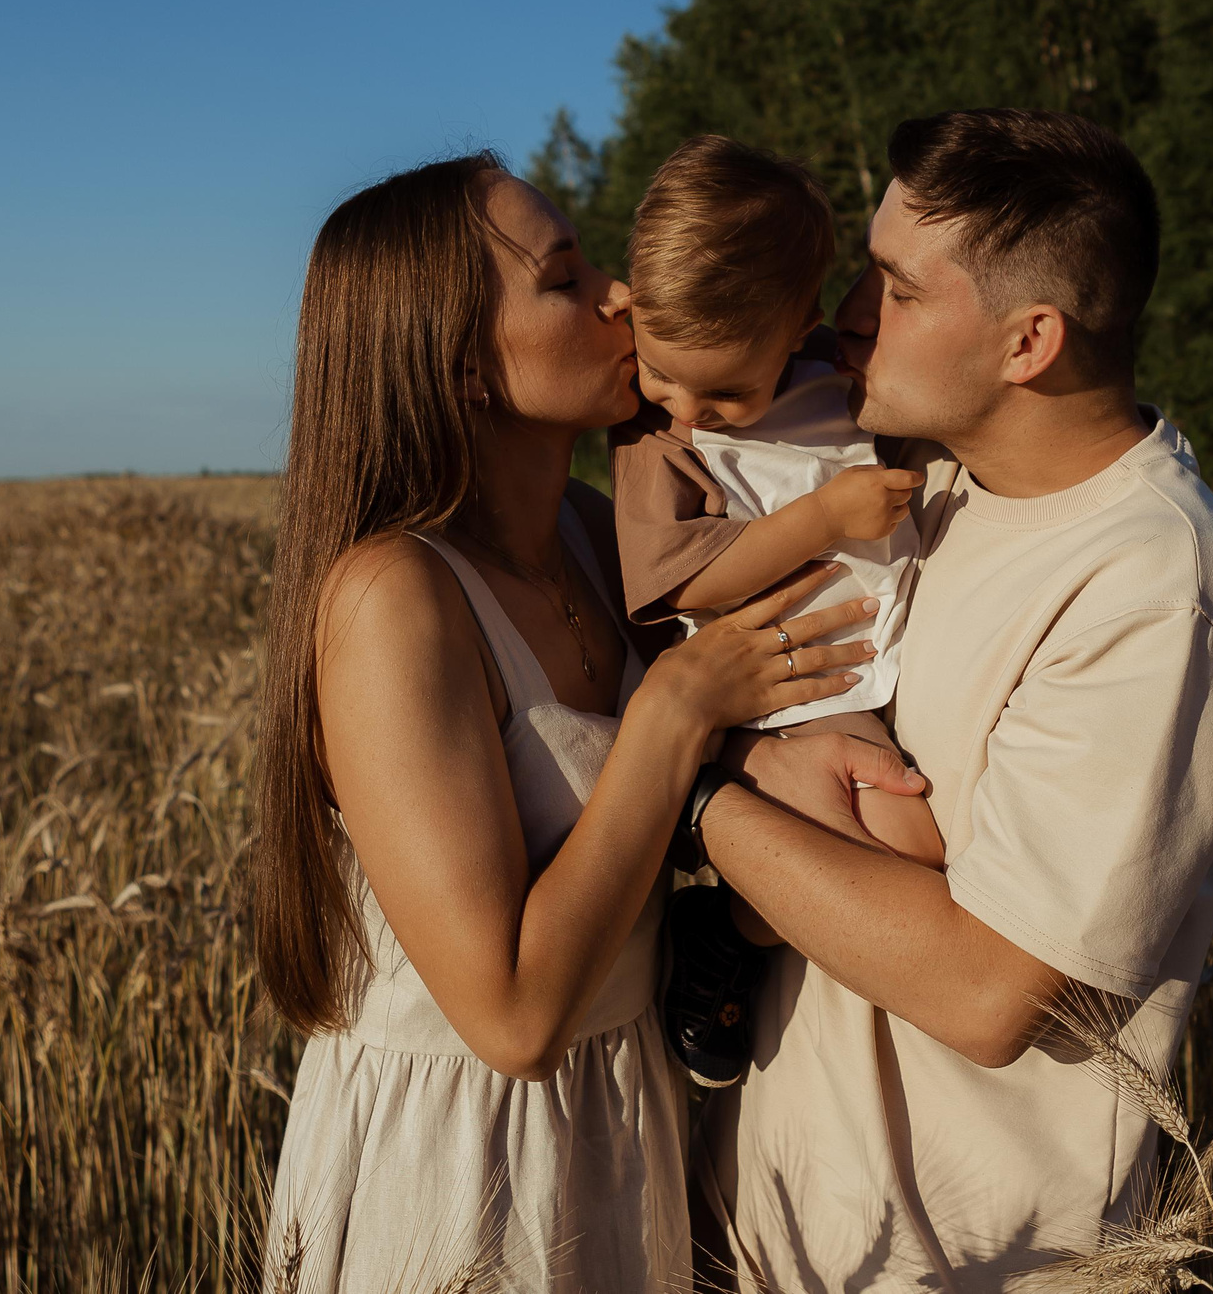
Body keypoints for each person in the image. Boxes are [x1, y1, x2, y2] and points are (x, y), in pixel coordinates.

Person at [250, 153, 918, 1293]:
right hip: (462, 1170)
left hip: (625, 1124)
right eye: (564, 276)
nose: (617, 294)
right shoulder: (391, 599)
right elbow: (509, 1017)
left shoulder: (588, 531)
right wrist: (677, 707)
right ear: (461, 363)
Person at [686, 110, 1213, 1288]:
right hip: (777, 1237)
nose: (845, 317)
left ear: (1030, 341)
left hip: (962, 1262)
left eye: (897, 290)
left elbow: (984, 989)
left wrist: (694, 790)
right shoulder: (933, 499)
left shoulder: (1158, 587)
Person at [604, 135, 941, 1086]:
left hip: (871, 652)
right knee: (910, 844)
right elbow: (681, 582)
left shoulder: (834, 376)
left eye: (725, 389)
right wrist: (823, 515)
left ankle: (741, 916)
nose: (687, 407)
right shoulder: (654, 443)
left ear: (798, 326)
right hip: (782, 674)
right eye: (658, 368)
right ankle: (730, 927)